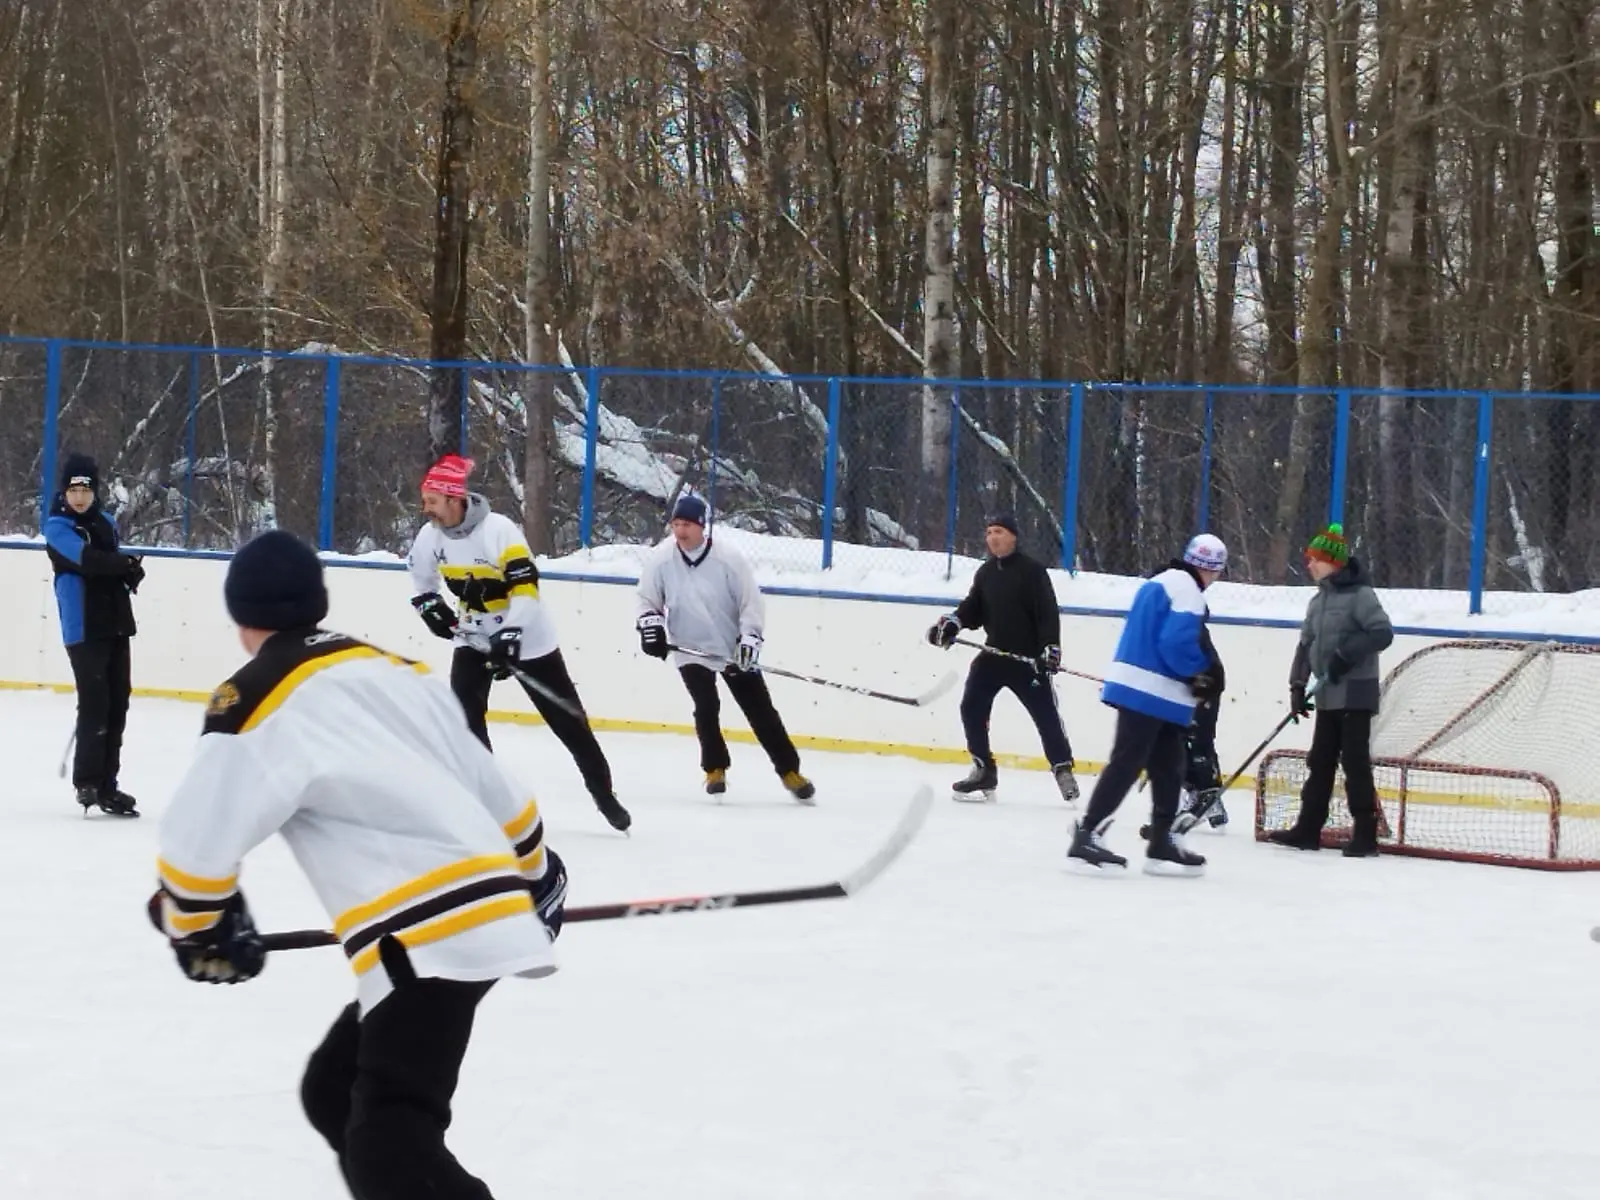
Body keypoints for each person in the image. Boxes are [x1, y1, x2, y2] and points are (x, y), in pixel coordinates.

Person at [149, 529, 567, 1200]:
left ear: (241, 619)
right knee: (336, 1090)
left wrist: (198, 925)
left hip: (425, 934)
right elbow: (503, 798)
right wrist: (538, 875)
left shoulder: (255, 697)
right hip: (471, 917)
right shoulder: (396, 670)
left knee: (389, 1145)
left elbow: (197, 848)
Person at [406, 453, 630, 833]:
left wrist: (510, 635)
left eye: (432, 501)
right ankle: (489, 803)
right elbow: (421, 583)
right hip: (474, 638)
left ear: (454, 498)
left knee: (570, 723)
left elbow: (526, 589)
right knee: (464, 720)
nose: (425, 509)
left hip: (528, 638)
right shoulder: (430, 537)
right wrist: (431, 608)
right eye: (424, 500)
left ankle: (603, 794)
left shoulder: (499, 530)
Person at [635, 494, 815, 802]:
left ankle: (789, 771)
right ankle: (714, 769)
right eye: (676, 524)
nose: (680, 531)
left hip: (731, 647)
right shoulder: (661, 559)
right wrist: (650, 626)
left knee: (761, 711)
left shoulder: (727, 559)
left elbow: (751, 602)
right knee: (706, 707)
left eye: (687, 525)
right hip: (690, 648)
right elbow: (646, 599)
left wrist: (749, 638)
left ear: (702, 527)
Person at [1067, 533, 1227, 875]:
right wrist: (1201, 673)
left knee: (1170, 765)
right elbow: (1175, 642)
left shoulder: (1162, 581)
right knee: (1128, 761)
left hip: (1155, 694)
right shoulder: (1188, 592)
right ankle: (1088, 833)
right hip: (1152, 691)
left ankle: (1162, 841)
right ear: (1213, 570)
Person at [926, 512, 1078, 804]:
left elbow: (1047, 613)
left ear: (1013, 537)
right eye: (989, 532)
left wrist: (1051, 647)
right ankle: (984, 768)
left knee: (1045, 716)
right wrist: (952, 624)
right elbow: (973, 608)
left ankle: (1062, 768)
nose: (992, 538)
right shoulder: (985, 573)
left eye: (999, 531)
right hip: (994, 655)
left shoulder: (1032, 572)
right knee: (971, 706)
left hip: (1028, 660)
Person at [1268, 523, 1394, 857]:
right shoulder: (1316, 602)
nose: (1309, 565)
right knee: (1320, 760)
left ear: (1333, 562)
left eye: (1314, 559)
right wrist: (1297, 685)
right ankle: (1308, 828)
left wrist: (1346, 655)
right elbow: (1305, 644)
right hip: (1327, 695)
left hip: (1355, 691)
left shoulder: (1361, 596)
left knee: (1353, 762)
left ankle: (1366, 833)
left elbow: (1382, 633)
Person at [42, 452, 145, 817]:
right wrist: (121, 564)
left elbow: (110, 564)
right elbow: (87, 560)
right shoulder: (57, 528)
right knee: (96, 700)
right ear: (64, 492)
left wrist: (129, 574)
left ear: (95, 490)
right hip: (83, 626)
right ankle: (86, 780)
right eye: (73, 489)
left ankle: (108, 784)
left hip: (115, 621)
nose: (79, 497)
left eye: (85, 489)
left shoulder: (105, 522)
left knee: (118, 701)